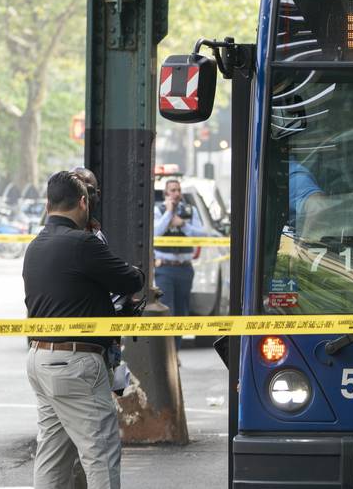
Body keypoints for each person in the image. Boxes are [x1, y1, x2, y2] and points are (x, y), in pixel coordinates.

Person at [24, 171, 145, 489]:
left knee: (52, 455)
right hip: (76, 363)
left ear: (48, 204)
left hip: (40, 360)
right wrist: (137, 271)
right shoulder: (83, 243)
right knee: (101, 453)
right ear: (82, 202)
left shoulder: (35, 246)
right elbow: (130, 281)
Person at [153, 179, 210, 334]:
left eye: (178, 190)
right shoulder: (159, 210)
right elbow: (155, 232)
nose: (176, 193)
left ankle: (175, 353)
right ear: (166, 193)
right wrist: (168, 214)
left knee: (180, 313)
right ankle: (167, 351)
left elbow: (202, 234)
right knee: (166, 310)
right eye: (172, 190)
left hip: (185, 268)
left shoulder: (190, 211)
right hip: (164, 268)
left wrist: (183, 225)